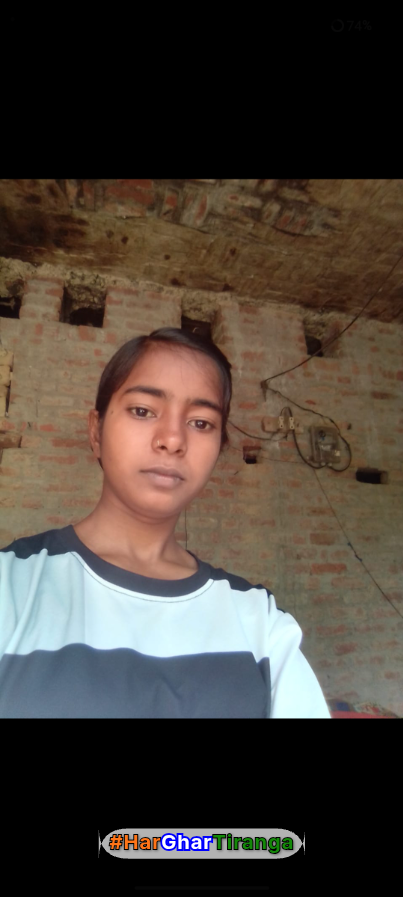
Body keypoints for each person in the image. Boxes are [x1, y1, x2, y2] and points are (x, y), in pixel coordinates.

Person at [0, 327, 330, 718]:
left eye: (201, 423)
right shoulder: (12, 586)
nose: (172, 439)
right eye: (143, 411)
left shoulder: (260, 624)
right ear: (96, 431)